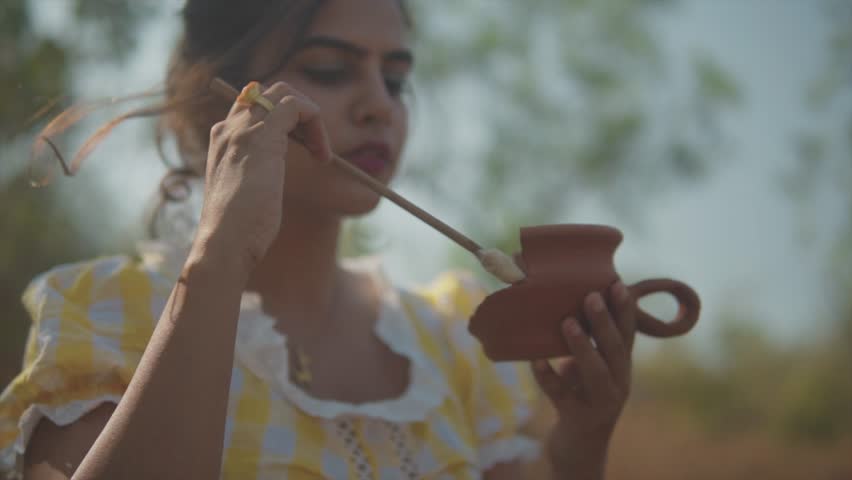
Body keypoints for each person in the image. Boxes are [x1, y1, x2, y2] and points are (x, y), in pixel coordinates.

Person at [0, 0, 637, 478]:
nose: (378, 105)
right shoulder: (109, 314)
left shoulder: (450, 342)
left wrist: (579, 445)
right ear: (212, 104)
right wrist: (219, 258)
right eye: (331, 70)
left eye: (396, 79)